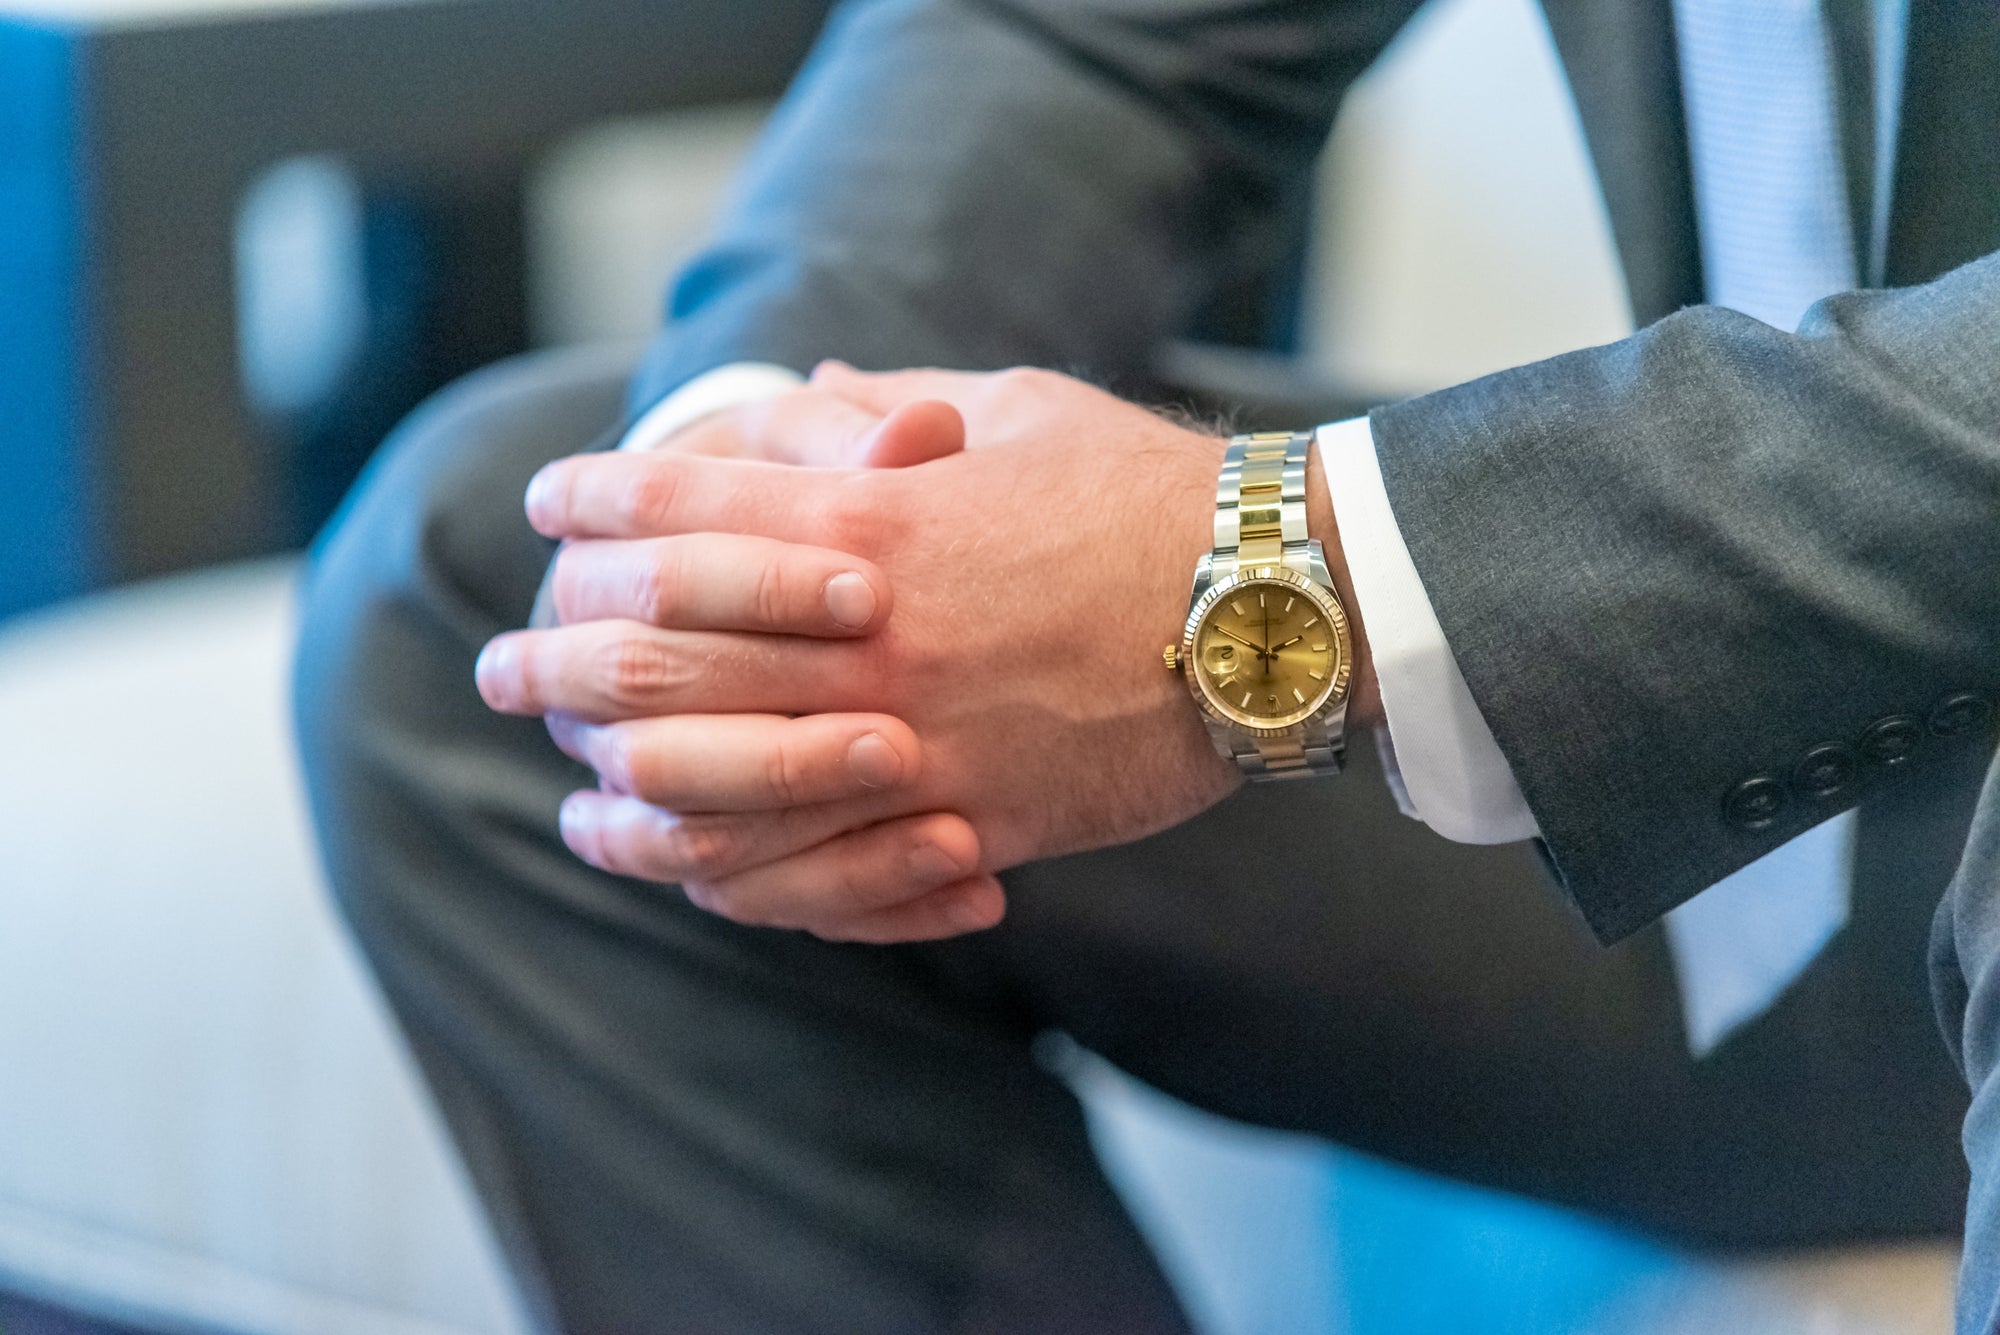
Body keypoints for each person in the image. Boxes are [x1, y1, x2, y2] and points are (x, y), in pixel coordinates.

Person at [295, 1, 2000, 1330]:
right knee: (572, 630)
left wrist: (1289, 568)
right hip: (1755, 820)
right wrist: (767, 493)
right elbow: (1086, 37)